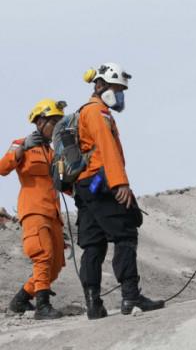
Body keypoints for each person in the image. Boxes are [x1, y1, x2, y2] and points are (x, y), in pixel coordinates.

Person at [74, 63, 164, 319]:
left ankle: (93, 304)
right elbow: (107, 148)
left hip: (85, 186)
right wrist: (119, 182)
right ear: (100, 86)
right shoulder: (96, 111)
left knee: (93, 244)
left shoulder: (88, 111)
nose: (121, 94)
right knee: (125, 234)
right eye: (117, 88)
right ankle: (131, 297)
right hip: (101, 182)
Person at [1, 100, 67, 319]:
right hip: (33, 211)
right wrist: (23, 148)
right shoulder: (22, 144)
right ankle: (42, 307)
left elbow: (64, 185)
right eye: (54, 123)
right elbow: (2, 168)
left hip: (54, 215)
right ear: (40, 122)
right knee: (44, 256)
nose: (58, 128)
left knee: (55, 266)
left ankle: (21, 300)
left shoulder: (56, 153)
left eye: (61, 123)